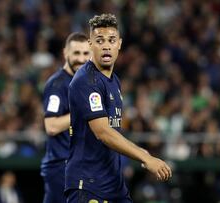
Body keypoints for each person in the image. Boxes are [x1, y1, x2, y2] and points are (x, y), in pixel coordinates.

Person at [65, 13, 172, 202]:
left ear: (119, 44)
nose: (106, 45)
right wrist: (145, 157)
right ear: (90, 44)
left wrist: (143, 153)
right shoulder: (85, 81)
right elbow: (103, 132)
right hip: (88, 185)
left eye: (111, 40)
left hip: (113, 183)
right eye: (99, 40)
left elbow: (113, 131)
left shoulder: (114, 81)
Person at [41, 32, 90, 203]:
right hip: (61, 166)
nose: (81, 59)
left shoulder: (87, 82)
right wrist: (83, 112)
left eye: (85, 53)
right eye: (76, 53)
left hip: (80, 166)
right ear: (65, 53)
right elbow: (51, 126)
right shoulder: (57, 84)